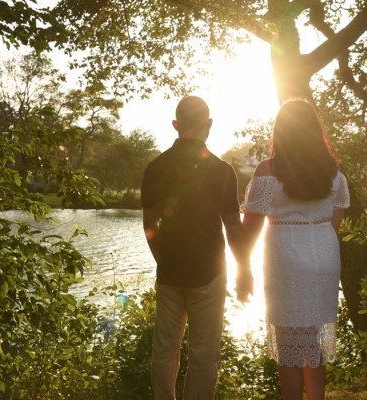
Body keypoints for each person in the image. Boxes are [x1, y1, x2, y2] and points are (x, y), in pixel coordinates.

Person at [141, 96, 254, 400]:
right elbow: (232, 226)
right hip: (210, 272)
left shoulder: (155, 167)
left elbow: (149, 223)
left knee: (165, 351)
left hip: (170, 272)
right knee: (204, 355)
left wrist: (161, 258)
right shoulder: (221, 170)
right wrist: (244, 269)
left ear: (176, 125)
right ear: (209, 125)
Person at [241, 99, 350, 400]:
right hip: (324, 258)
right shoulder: (334, 175)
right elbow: (334, 223)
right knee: (312, 342)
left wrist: (242, 267)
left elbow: (250, 227)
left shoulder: (267, 171)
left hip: (285, 259)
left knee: (287, 342)